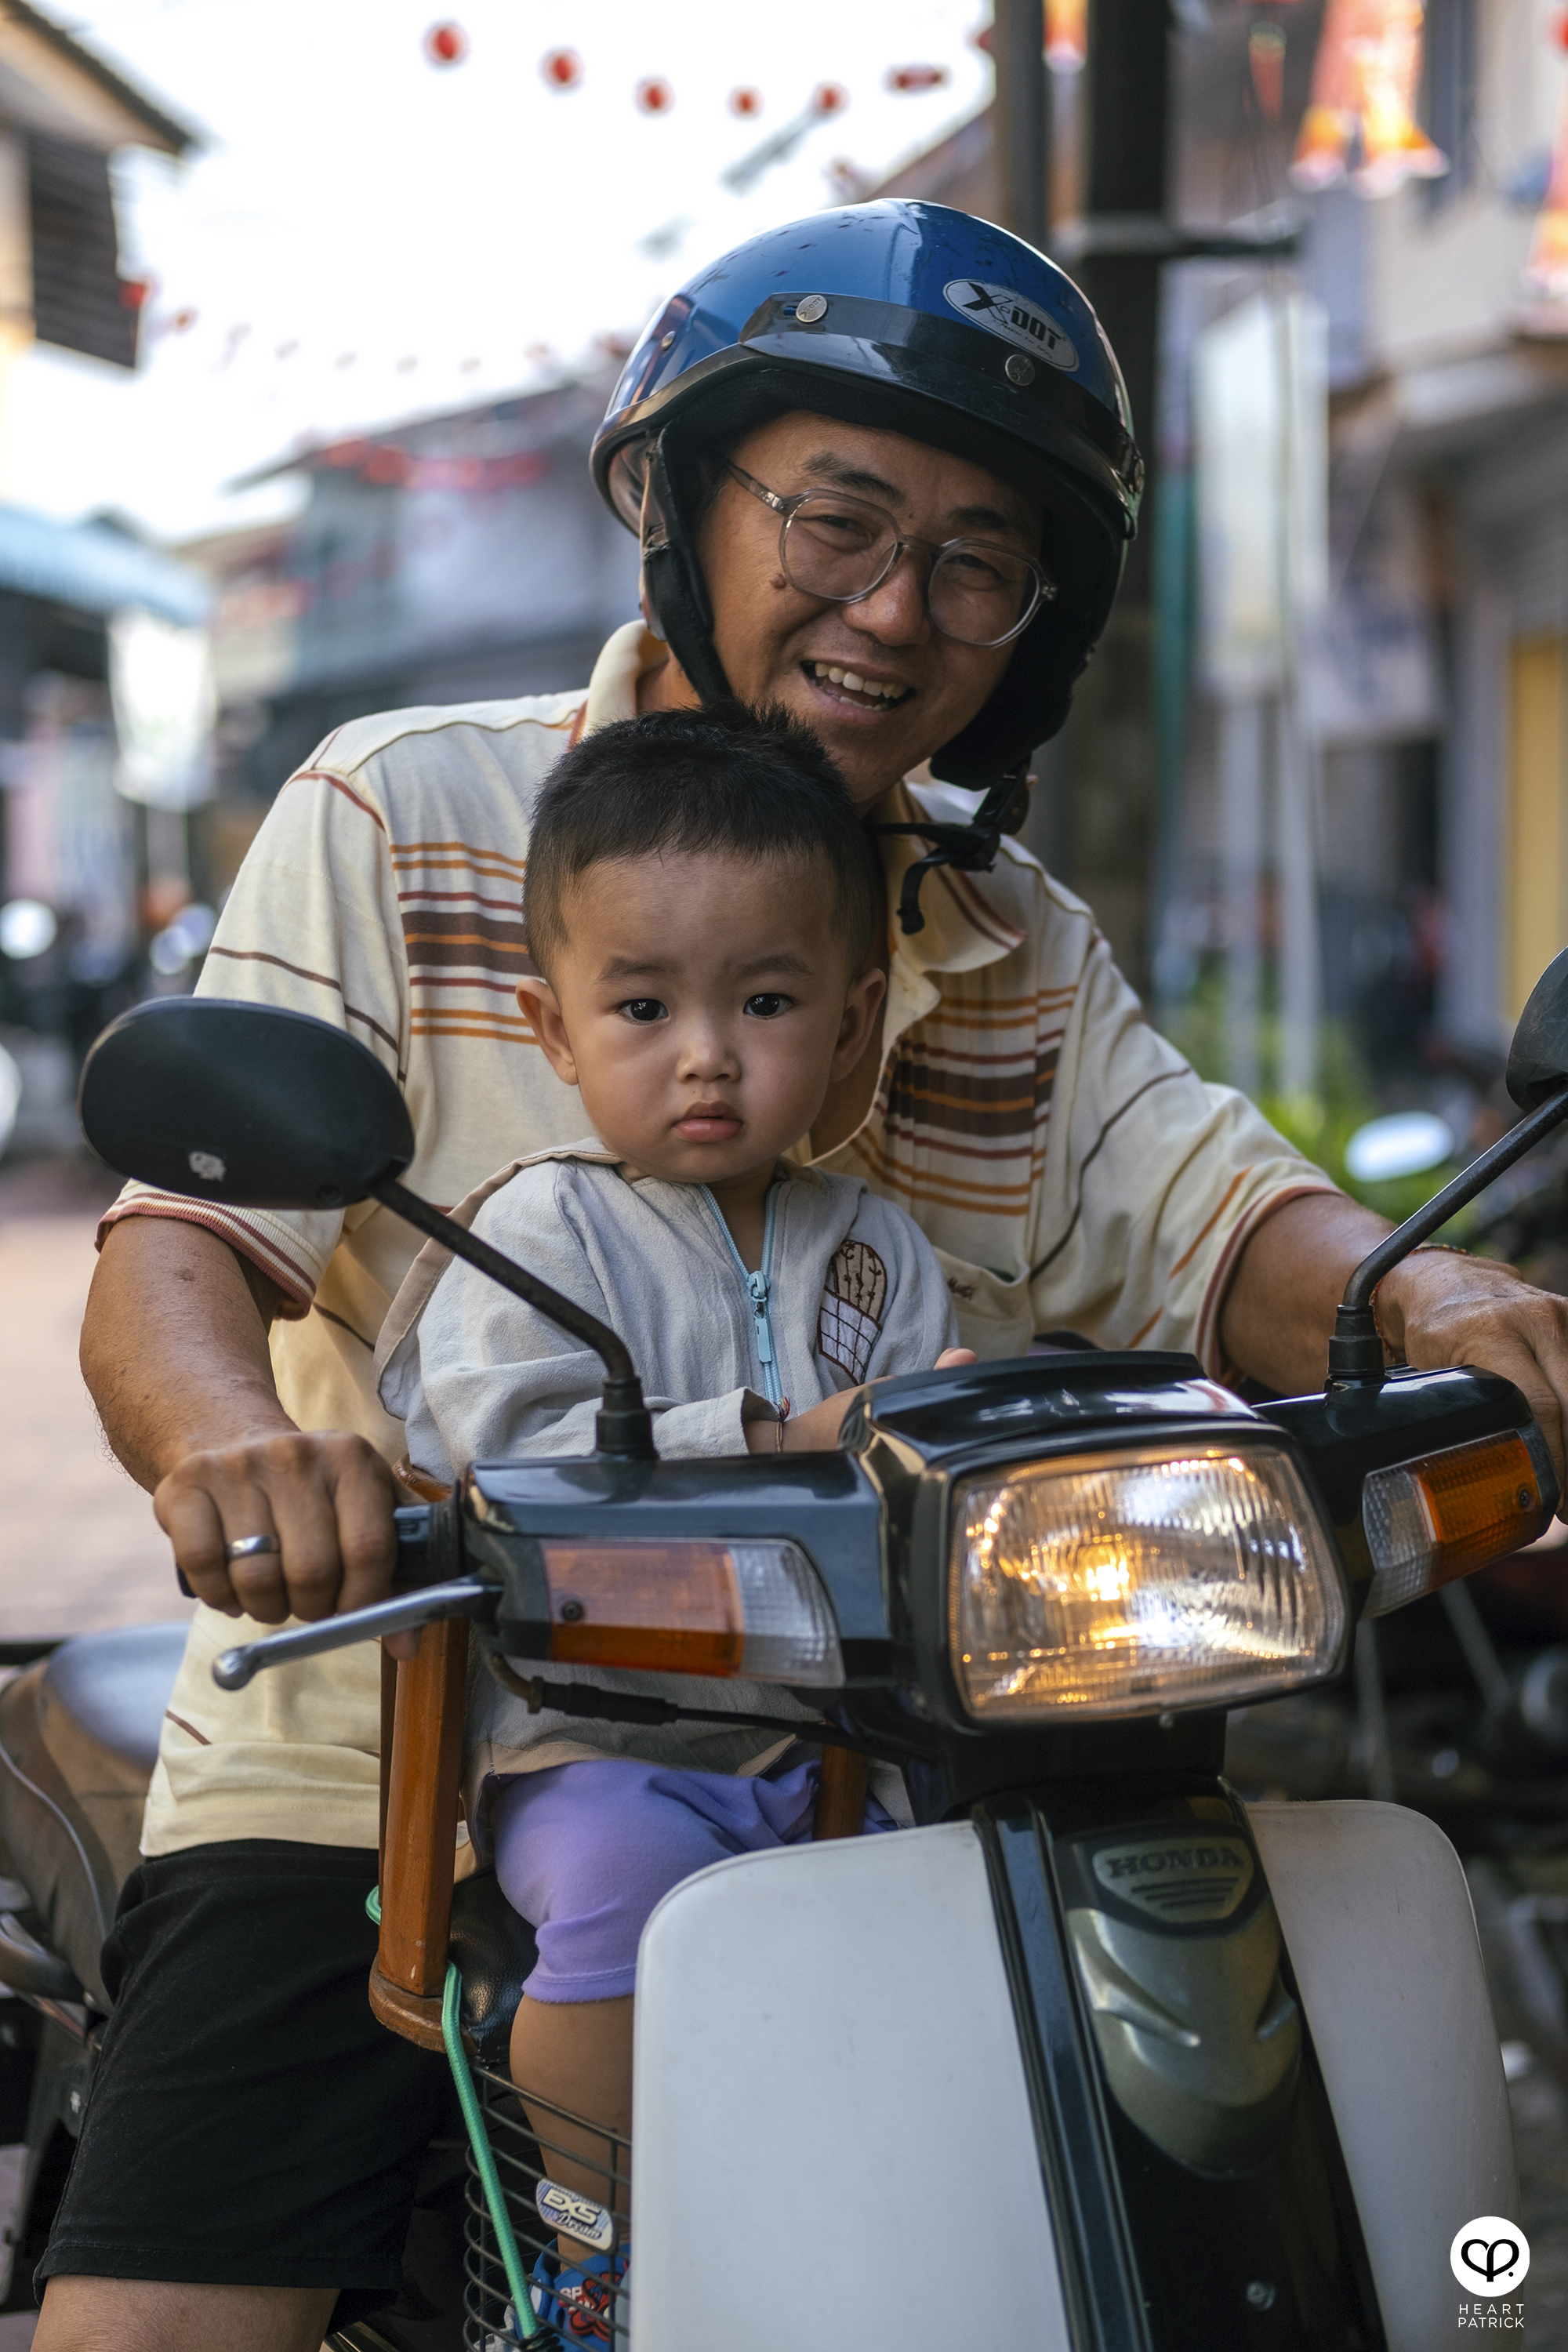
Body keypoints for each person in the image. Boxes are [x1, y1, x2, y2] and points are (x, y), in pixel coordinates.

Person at [41, 201, 1568, 2350]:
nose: (894, 606)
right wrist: (229, 1448)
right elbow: (187, 1245)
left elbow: (1217, 1210)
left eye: (975, 556)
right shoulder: (411, 808)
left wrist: (1436, 1305)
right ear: (683, 501)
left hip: (928, 1747)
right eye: (838, 516)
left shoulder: (1010, 935)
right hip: (404, 1731)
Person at [378, 702, 973, 2334]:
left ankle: (909, 2220)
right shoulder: (534, 1238)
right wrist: (779, 1438)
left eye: (764, 1001)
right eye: (642, 1005)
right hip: (603, 1741)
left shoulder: (881, 1251)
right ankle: (589, 2243)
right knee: (619, 1900)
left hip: (838, 1738)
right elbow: (511, 1458)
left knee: (976, 1911)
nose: (706, 1051)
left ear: (850, 1025)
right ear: (553, 1029)